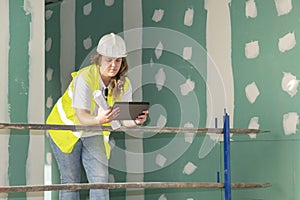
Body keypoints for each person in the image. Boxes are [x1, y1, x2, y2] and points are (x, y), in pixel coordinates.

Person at [46, 32, 148, 200]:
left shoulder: (124, 84)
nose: (114, 65)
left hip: (93, 131)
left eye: (118, 60)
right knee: (71, 182)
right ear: (99, 58)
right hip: (64, 130)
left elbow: (122, 120)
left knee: (100, 180)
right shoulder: (84, 78)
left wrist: (135, 121)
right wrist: (98, 120)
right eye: (109, 60)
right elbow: (81, 117)